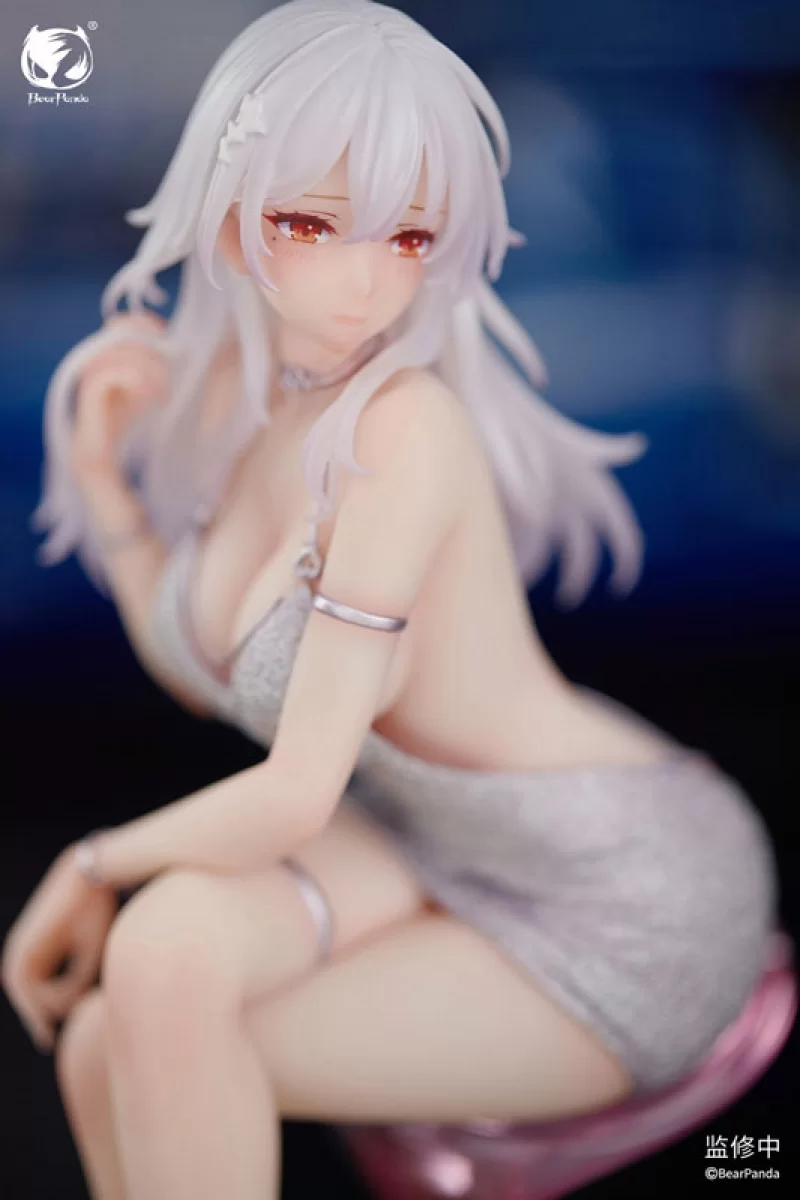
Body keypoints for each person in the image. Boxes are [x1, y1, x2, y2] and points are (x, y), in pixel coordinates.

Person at [1, 4, 779, 1198]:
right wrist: (108, 489)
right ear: (231, 216)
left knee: (153, 1042)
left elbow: (297, 790)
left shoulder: (403, 431)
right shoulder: (244, 400)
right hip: (419, 837)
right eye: (312, 223)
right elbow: (207, 671)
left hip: (611, 886)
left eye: (408, 235)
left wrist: (96, 862)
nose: (364, 279)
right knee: (135, 998)